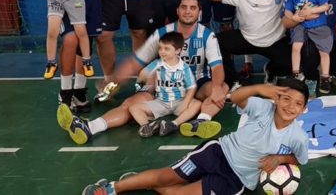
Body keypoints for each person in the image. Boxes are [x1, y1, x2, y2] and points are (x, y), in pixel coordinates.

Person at [81, 79, 310, 195]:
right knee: (165, 177)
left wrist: (280, 159)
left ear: (303, 109)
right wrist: (260, 87)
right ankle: (113, 188)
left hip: (236, 180)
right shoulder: (262, 107)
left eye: (298, 103)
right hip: (216, 152)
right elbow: (237, 97)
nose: (290, 106)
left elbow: (299, 159)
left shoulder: (297, 136)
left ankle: (142, 182)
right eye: (286, 98)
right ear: (276, 99)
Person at [58, 0, 228, 144]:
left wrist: (218, 87)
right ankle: (91, 127)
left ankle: (201, 122)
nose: (187, 11)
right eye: (183, 7)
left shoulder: (207, 35)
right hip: (160, 85)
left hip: (195, 83)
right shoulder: (162, 33)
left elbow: (217, 67)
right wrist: (114, 81)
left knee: (221, 87)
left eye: (192, 8)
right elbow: (136, 62)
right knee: (129, 104)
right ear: (177, 11)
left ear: (199, 12)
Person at [207, 0, 295, 83]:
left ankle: (271, 70)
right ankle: (231, 82)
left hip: (274, 40)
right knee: (214, 42)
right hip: (247, 38)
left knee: (292, 62)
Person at [128, 32, 201, 138]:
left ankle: (173, 124)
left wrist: (185, 103)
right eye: (160, 48)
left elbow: (192, 87)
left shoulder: (184, 67)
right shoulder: (157, 63)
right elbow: (142, 75)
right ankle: (147, 127)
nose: (162, 52)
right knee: (134, 108)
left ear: (177, 51)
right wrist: (144, 80)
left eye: (166, 49)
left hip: (179, 101)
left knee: (197, 104)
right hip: (161, 102)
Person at [283, 0, 333, 94]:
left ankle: (325, 77)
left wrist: (312, 10)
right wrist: (293, 18)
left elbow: (325, 6)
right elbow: (287, 12)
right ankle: (296, 73)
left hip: (318, 25)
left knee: (324, 52)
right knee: (296, 47)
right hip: (301, 25)